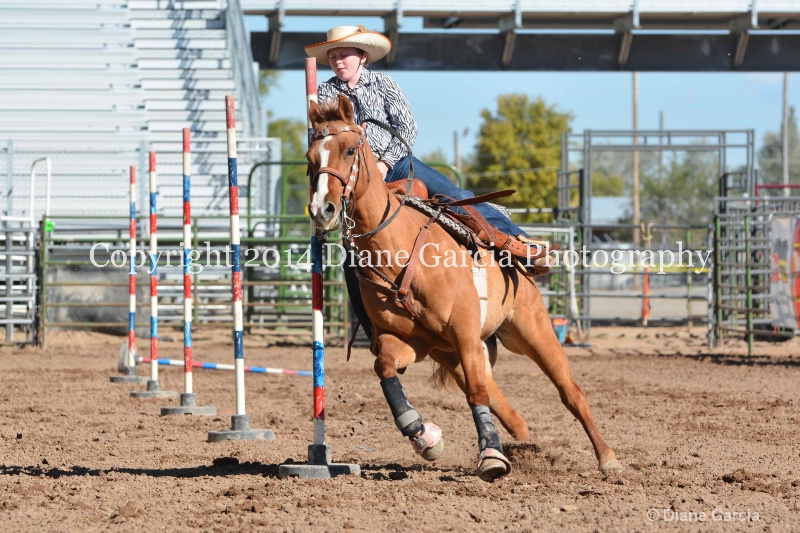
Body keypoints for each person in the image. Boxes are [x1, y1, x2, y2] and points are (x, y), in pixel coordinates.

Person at [305, 26, 552, 338]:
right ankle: (374, 327)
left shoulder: (383, 83)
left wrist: (384, 162)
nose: (339, 61)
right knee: (354, 249)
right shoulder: (324, 94)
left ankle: (519, 244)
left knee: (456, 196)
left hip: (397, 165)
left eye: (344, 54)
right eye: (334, 56)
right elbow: (320, 140)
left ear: (362, 57)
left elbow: (406, 127)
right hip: (354, 179)